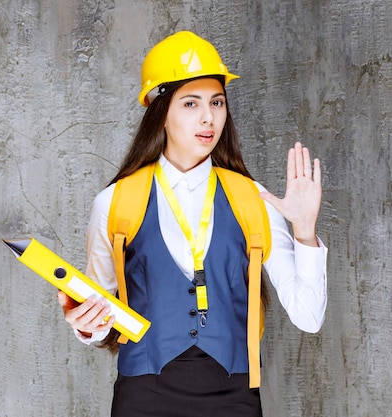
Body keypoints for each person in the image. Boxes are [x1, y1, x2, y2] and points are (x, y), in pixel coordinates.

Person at [57, 30, 327, 417]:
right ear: (159, 112)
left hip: (234, 397)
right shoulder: (115, 202)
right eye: (190, 103)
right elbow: (103, 317)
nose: (208, 117)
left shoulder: (254, 198)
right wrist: (85, 323)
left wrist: (304, 231)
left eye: (217, 102)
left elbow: (309, 318)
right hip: (142, 396)